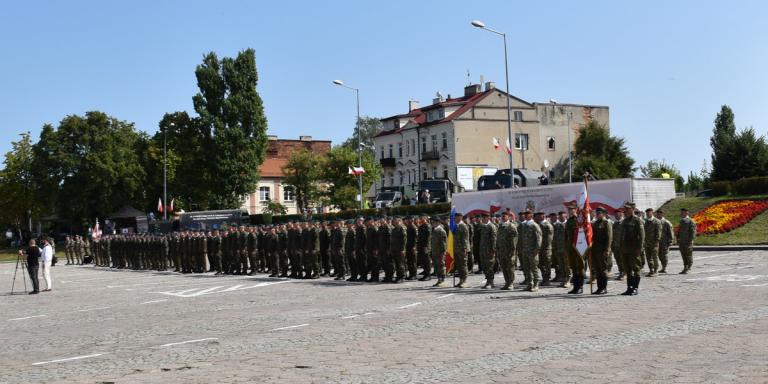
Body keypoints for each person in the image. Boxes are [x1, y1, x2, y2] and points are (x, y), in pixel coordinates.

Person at [678, 208, 697, 274]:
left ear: (686, 213)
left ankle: (689, 267)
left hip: (688, 241)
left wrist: (691, 240)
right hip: (682, 241)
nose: (681, 214)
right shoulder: (681, 221)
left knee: (688, 255)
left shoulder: (690, 221)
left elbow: (693, 232)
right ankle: (685, 267)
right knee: (683, 255)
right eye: (681, 212)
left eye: (682, 212)